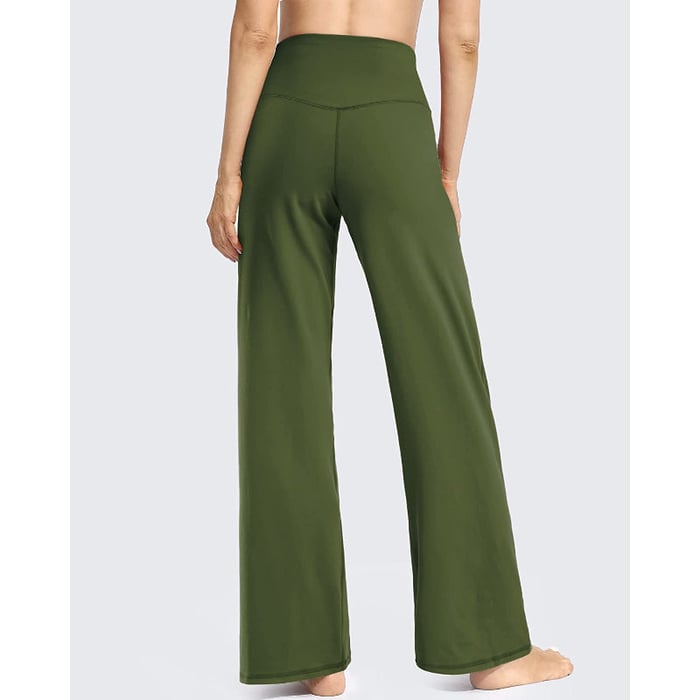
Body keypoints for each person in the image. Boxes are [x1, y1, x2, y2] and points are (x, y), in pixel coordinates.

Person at [206, 0, 573, 695]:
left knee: (280, 383)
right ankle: (490, 646)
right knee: (442, 374)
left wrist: (229, 174)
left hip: (286, 115)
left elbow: (255, 31)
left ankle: (305, 655)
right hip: (392, 120)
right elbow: (461, 40)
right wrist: (448, 172)